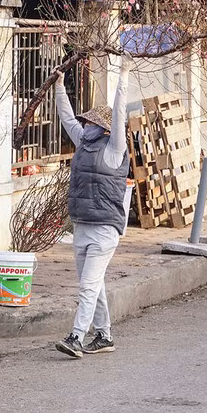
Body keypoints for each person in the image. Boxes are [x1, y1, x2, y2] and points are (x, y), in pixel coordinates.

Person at [54, 59, 131, 358]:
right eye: (84, 122)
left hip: (104, 229)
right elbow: (66, 118)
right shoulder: (82, 145)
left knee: (87, 285)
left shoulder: (115, 150)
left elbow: (120, 112)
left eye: (89, 123)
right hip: (82, 225)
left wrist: (123, 76)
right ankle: (104, 335)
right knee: (93, 284)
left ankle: (76, 337)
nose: (84, 125)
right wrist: (60, 87)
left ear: (102, 128)